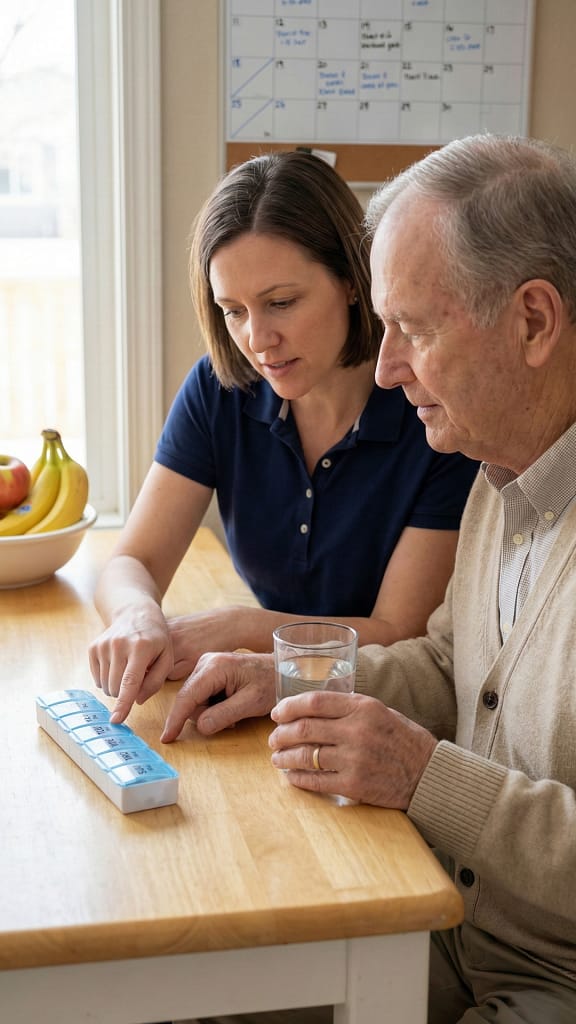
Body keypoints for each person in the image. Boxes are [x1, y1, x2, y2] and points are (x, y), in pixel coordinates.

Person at [155, 134, 576, 1024]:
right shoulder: (497, 473)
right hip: (443, 922)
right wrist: (290, 676)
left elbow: (441, 766)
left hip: (554, 976)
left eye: (413, 330)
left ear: (534, 321)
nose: (386, 367)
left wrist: (427, 778)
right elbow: (446, 664)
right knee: (182, 985)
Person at [89, 151, 477, 722]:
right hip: (264, 703)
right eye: (233, 311)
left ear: (353, 281)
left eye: (281, 303)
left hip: (381, 717)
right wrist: (136, 615)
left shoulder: (432, 410)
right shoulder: (220, 389)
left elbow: (402, 635)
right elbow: (132, 561)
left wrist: (244, 628)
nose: (257, 339)